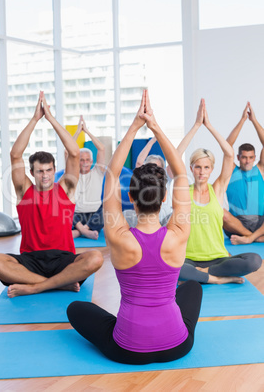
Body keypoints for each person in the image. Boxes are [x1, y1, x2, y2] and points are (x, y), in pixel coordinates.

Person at [67, 89, 203, 365]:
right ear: (165, 197)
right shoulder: (179, 232)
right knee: (193, 289)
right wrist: (154, 125)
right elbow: (179, 173)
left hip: (128, 348)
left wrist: (134, 126)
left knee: (75, 308)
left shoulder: (118, 236)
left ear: (130, 198)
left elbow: (113, 174)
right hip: (177, 345)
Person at [0, 91, 103, 298]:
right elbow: (15, 154)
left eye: (48, 170)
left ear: (55, 170)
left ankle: (35, 287)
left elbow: (74, 153)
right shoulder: (24, 190)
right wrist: (36, 119)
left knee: (96, 258)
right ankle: (57, 284)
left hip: (63, 260)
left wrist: (51, 118)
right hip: (31, 261)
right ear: (32, 173)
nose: (45, 176)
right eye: (40, 171)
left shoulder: (66, 189)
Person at [177, 99, 261, 284]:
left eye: (206, 167)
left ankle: (204, 273)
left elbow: (229, 154)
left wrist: (209, 126)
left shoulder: (217, 189)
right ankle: (219, 279)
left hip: (217, 257)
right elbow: (176, 155)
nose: (202, 172)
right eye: (197, 167)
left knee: (254, 260)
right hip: (189, 257)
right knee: (173, 266)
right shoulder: (184, 191)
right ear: (191, 168)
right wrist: (197, 125)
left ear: (212, 169)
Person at [223, 103, 264, 245]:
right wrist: (242, 121)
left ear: (255, 158)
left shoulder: (260, 170)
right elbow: (227, 146)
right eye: (244, 157)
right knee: (221, 214)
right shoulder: (232, 170)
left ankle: (250, 238)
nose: (247, 161)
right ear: (238, 157)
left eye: (251, 157)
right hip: (237, 223)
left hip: (260, 222)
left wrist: (254, 121)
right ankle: (254, 237)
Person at [123, 137, 173, 227]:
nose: (154, 170)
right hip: (146, 217)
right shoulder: (143, 178)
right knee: (126, 214)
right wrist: (152, 141)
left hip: (164, 217)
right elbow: (139, 163)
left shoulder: (165, 177)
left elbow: (174, 157)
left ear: (162, 169)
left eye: (157, 167)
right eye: (150, 167)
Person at [71, 115, 105, 240]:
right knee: (64, 208)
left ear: (92, 161)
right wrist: (78, 132)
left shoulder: (98, 171)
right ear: (77, 161)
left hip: (94, 215)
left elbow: (101, 148)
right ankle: (86, 231)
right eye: (81, 160)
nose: (85, 163)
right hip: (77, 216)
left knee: (106, 208)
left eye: (87, 160)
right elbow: (67, 151)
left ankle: (79, 232)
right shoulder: (73, 172)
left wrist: (87, 131)